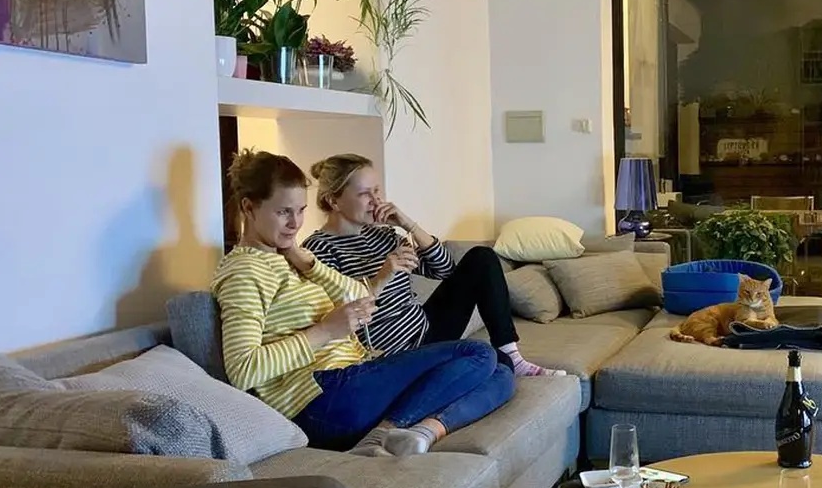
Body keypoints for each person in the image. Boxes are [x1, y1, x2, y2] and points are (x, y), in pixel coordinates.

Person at [211, 150, 513, 458]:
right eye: (283, 212)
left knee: (501, 368)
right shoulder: (244, 270)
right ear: (248, 207)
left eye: (300, 211)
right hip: (320, 397)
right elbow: (242, 370)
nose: (295, 223)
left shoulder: (289, 257)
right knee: (478, 353)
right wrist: (325, 331)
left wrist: (308, 263)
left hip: (352, 377)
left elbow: (357, 296)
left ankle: (420, 433)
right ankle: (385, 432)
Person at [302, 154, 566, 378]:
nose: (376, 201)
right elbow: (337, 317)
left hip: (428, 330)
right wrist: (381, 277)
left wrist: (408, 224)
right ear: (333, 201)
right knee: (497, 367)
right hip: (393, 354)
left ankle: (513, 355)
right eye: (364, 194)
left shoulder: (382, 235)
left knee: (482, 258)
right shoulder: (318, 249)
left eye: (377, 191)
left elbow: (445, 270)